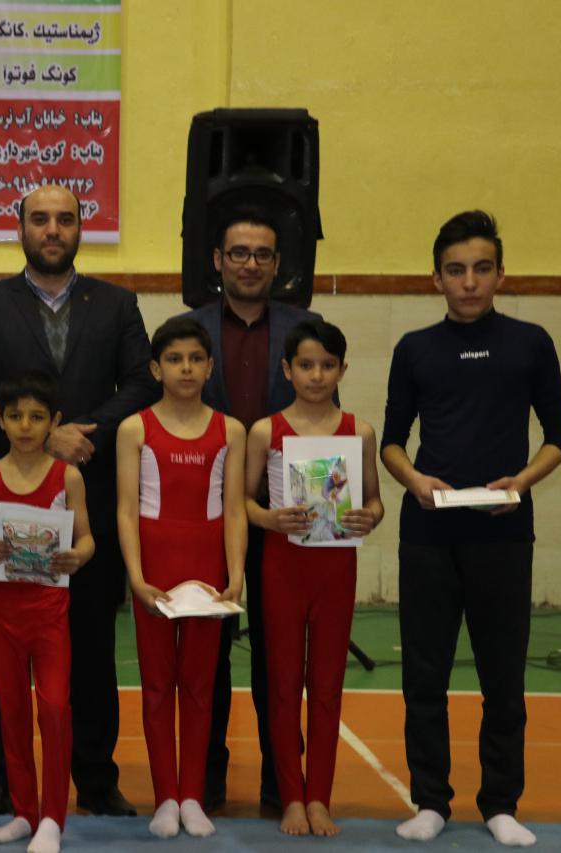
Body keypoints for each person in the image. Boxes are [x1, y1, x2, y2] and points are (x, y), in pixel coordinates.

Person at [0, 184, 157, 817]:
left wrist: (80, 433)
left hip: (88, 488)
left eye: (64, 219)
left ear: (79, 230)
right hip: (9, 493)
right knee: (4, 652)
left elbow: (142, 384)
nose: (52, 230)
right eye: (39, 219)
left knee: (92, 644)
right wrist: (40, 435)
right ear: (20, 228)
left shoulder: (117, 304)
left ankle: (95, 778)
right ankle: (2, 777)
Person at [382, 211, 561, 848]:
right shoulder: (414, 349)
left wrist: (521, 482)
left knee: (503, 677)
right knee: (424, 677)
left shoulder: (531, 343)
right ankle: (430, 800)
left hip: (503, 536)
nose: (469, 282)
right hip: (428, 535)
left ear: (500, 275)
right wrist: (415, 481)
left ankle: (500, 804)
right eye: (456, 270)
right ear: (435, 278)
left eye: (481, 269)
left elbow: (559, 437)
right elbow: (392, 442)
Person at [184, 204, 328, 810]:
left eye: (262, 254)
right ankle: (206, 778)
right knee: (206, 659)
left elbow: (321, 420)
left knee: (280, 662)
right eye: (239, 253)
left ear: (277, 264)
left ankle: (281, 781)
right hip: (203, 518)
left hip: (283, 520)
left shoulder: (307, 326)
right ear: (218, 260)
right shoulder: (187, 330)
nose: (250, 264)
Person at [243, 319, 384, 837]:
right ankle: (291, 798)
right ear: (287, 369)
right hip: (282, 566)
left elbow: (375, 501)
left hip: (335, 569)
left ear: (343, 370)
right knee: (283, 684)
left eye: (327, 366)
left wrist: (369, 517)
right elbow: (242, 501)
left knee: (326, 685)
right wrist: (268, 518)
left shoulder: (359, 432)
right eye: (306, 365)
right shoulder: (266, 431)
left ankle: (319, 796)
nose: (317, 376)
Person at [115, 316, 247, 839]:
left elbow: (233, 509)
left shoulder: (230, 430)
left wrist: (235, 574)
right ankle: (165, 797)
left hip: (207, 570)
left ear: (210, 366)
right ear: (156, 369)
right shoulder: (135, 428)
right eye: (174, 359)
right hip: (155, 570)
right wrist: (136, 577)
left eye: (195, 359)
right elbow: (126, 510)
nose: (186, 368)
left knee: (198, 685)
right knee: (156, 686)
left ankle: (192, 794)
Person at [0, 372, 95, 853]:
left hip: (49, 613)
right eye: (16, 416)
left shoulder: (68, 477)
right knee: (13, 713)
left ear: (54, 422)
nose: (25, 426)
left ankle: (52, 818)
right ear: (0, 419)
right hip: (3, 612)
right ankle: (24, 812)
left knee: (55, 709)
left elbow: (87, 538)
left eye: (37, 417)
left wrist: (77, 556)